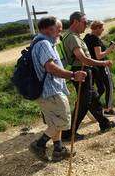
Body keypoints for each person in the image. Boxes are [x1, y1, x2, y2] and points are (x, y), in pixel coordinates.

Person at [30, 16, 87, 161]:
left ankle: (58, 149)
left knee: (54, 122)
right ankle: (39, 144)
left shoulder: (40, 42)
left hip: (46, 91)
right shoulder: (44, 44)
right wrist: (73, 75)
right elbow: (50, 67)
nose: (60, 33)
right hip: (51, 91)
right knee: (63, 120)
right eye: (58, 30)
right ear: (49, 29)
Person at [62, 11, 115, 141]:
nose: (86, 25)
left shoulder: (72, 36)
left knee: (93, 100)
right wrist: (103, 62)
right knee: (83, 103)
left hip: (83, 71)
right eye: (84, 22)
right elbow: (83, 59)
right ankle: (69, 133)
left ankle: (104, 123)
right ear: (75, 22)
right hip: (82, 71)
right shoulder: (72, 37)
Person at [84, 20, 115, 116]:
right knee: (109, 87)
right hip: (101, 66)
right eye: (102, 28)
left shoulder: (87, 37)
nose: (103, 30)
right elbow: (98, 55)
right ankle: (108, 109)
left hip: (93, 67)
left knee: (101, 89)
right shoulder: (95, 39)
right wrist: (111, 48)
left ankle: (90, 106)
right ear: (97, 28)